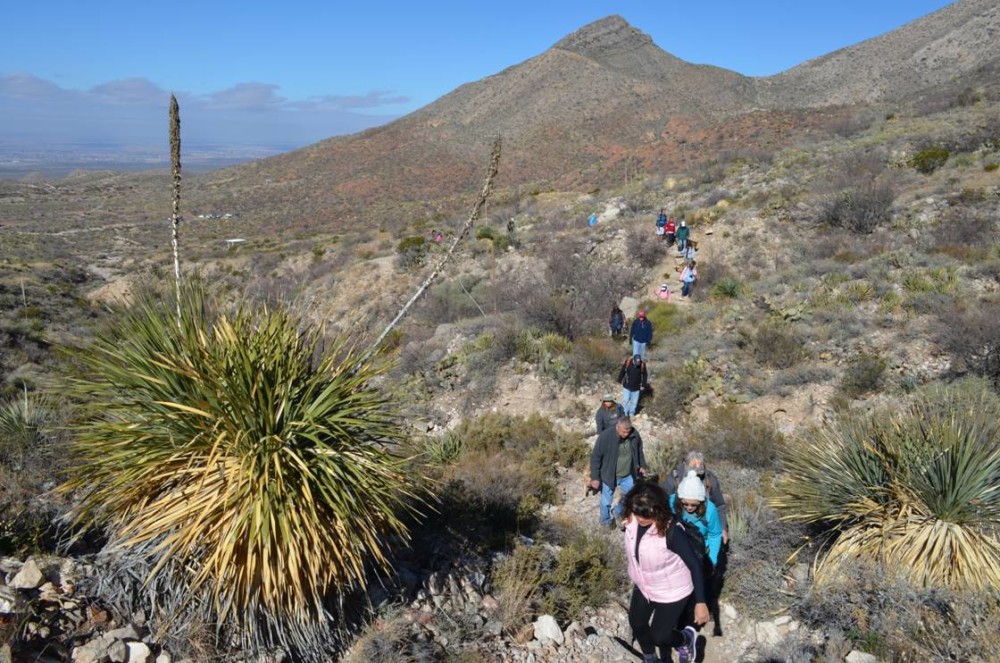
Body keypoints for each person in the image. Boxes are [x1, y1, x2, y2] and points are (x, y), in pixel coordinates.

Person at [621, 482, 709, 663]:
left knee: (659, 637)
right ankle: (650, 658)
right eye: (637, 512)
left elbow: (694, 564)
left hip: (672, 590)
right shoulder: (633, 517)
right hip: (645, 584)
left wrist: (701, 602)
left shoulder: (672, 532)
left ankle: (686, 639)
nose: (641, 518)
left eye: (646, 514)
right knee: (637, 623)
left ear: (658, 509)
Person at [669, 471, 726, 638]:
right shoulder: (672, 502)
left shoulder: (710, 510)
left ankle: (688, 623)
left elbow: (715, 535)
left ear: (701, 502)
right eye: (685, 504)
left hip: (699, 554)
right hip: (677, 552)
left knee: (696, 587)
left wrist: (712, 559)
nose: (688, 508)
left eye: (693, 505)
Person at [589, 417, 649, 529]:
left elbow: (639, 450)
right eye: (623, 432)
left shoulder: (634, 434)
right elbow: (595, 457)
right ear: (617, 427)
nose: (626, 434)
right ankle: (606, 521)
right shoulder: (606, 436)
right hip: (609, 474)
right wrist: (595, 477)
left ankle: (618, 512)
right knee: (606, 500)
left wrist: (642, 465)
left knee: (629, 497)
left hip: (628, 474)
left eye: (628, 432)